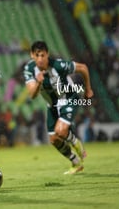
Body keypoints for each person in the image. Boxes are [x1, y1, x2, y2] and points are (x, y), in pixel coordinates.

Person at [23, 41, 94, 175]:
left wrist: (88, 90)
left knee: (60, 131)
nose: (40, 59)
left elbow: (83, 68)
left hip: (69, 98)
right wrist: (38, 81)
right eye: (37, 55)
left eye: (43, 55)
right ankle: (76, 163)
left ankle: (76, 143)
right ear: (32, 55)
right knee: (54, 140)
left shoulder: (59, 65)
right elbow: (32, 94)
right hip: (52, 106)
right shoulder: (29, 69)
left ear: (47, 54)